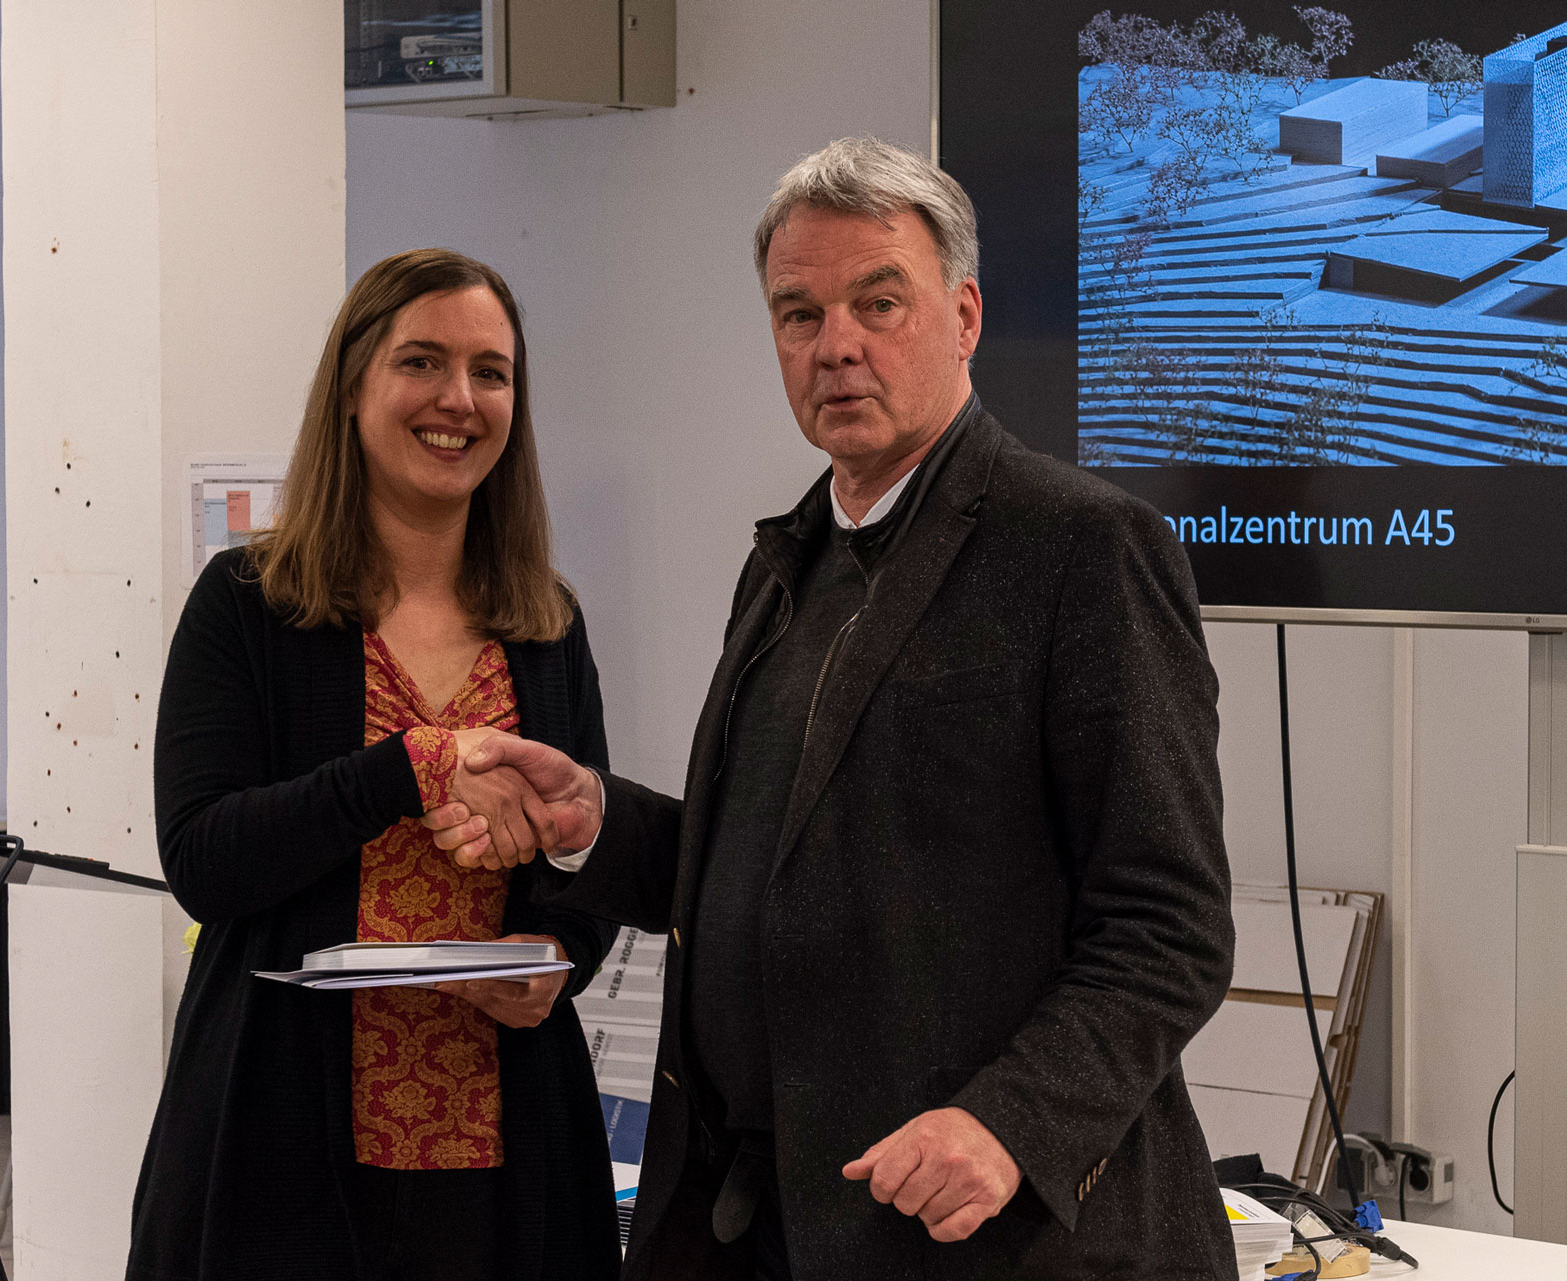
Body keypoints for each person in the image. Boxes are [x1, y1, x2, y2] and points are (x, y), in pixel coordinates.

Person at [422, 138, 1237, 1279]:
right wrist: (594, 821)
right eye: (798, 313)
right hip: (767, 1222)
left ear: (964, 317)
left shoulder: (1084, 548)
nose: (836, 344)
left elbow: (1169, 924)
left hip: (986, 1238)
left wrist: (1008, 1122)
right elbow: (782, 863)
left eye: (878, 303)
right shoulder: (788, 563)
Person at [126, 248, 622, 1281]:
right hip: (280, 1140)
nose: (459, 399)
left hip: (502, 1143)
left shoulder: (545, 624)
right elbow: (204, 860)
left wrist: (555, 952)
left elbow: (588, 855)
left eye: (491, 372)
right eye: (422, 362)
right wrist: (407, 769)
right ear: (353, 387)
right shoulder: (249, 604)